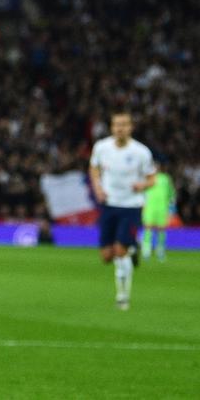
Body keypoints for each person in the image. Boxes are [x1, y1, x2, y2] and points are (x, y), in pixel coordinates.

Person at [88, 112, 157, 310]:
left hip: (131, 206)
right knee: (106, 256)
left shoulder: (141, 152)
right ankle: (133, 247)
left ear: (131, 127)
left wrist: (142, 185)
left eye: (124, 124)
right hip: (109, 204)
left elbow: (152, 178)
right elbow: (94, 168)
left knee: (120, 251)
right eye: (117, 124)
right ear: (111, 127)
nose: (120, 128)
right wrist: (98, 188)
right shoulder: (101, 147)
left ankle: (122, 296)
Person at [140, 166, 176, 262]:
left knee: (161, 229)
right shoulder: (147, 178)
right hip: (149, 207)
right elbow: (141, 191)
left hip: (162, 207)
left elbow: (171, 194)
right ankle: (146, 251)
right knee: (148, 227)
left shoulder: (166, 178)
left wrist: (172, 208)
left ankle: (160, 250)